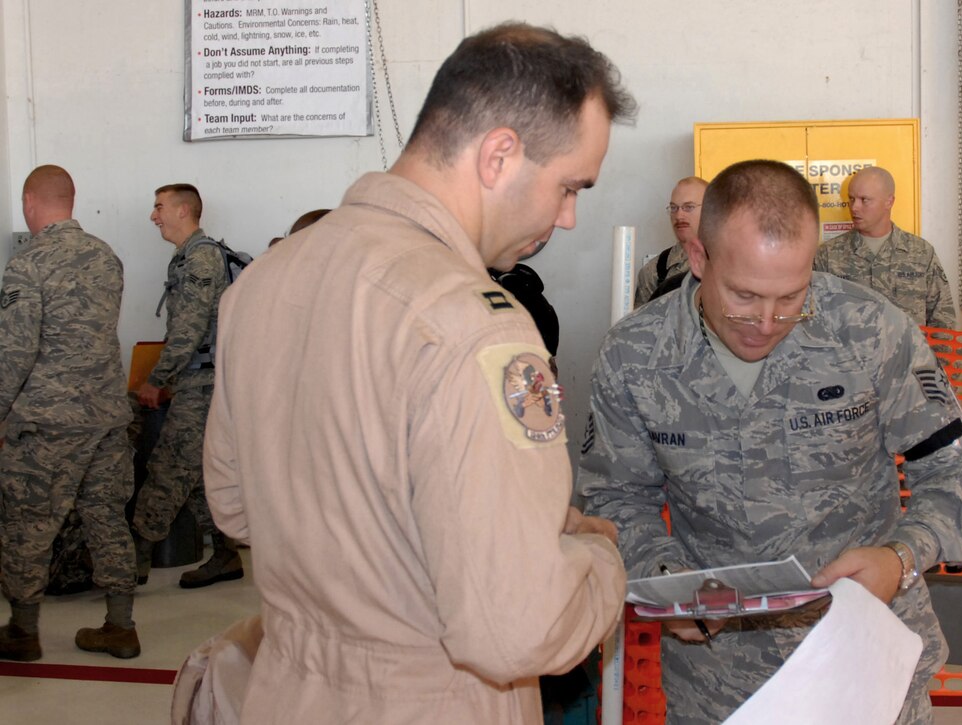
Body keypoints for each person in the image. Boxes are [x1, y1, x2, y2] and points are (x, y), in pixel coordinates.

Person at [202, 22, 636, 723]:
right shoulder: (475, 324)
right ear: (499, 153)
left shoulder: (266, 279)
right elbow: (512, 625)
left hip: (287, 690)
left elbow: (234, 504)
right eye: (567, 186)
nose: (570, 216)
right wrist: (595, 560)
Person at [579, 159, 962, 724]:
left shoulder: (870, 329)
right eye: (744, 296)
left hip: (868, 666)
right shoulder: (635, 355)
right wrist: (665, 577)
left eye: (791, 296)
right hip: (720, 682)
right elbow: (614, 498)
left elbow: (957, 472)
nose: (768, 320)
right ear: (699, 258)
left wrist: (901, 557)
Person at [0, 165, 139, 660]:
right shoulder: (106, 257)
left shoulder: (27, 264)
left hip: (49, 421)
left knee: (28, 522)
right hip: (106, 414)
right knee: (105, 516)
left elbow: (15, 351)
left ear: (29, 201)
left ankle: (22, 632)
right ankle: (121, 626)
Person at [132, 183, 243, 588]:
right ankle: (227, 555)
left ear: (183, 211)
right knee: (198, 470)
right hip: (201, 378)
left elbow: (189, 330)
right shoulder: (186, 258)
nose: (153, 215)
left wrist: (157, 381)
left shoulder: (200, 258)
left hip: (204, 382)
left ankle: (133, 559)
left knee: (169, 466)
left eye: (159, 206)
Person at [813, 166, 957, 329]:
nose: (854, 207)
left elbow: (943, 320)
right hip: (851, 354)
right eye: (851, 199)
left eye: (864, 200)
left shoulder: (921, 253)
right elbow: (814, 319)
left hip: (908, 354)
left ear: (889, 201)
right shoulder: (829, 255)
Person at [633, 177, 707, 307]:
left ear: (710, 209)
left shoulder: (730, 261)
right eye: (674, 208)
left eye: (688, 207)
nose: (679, 216)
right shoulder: (655, 271)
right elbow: (642, 324)